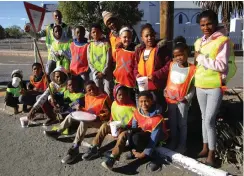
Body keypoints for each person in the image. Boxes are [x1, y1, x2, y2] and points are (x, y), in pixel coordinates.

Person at [194, 10, 236, 166]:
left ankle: (212, 153)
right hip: (200, 85)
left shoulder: (222, 41)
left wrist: (200, 58)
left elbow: (221, 65)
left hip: (214, 86)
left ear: (215, 22)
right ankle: (205, 147)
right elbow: (197, 66)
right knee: (204, 117)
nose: (206, 27)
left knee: (210, 120)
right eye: (202, 25)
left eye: (209, 24)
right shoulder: (198, 42)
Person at [44, 81, 112, 164]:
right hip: (90, 117)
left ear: (96, 86)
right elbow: (88, 110)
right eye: (89, 90)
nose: (92, 91)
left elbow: (109, 114)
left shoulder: (104, 98)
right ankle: (58, 132)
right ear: (86, 91)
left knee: (84, 122)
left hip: (101, 122)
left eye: (93, 88)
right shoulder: (87, 96)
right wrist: (80, 109)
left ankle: (75, 147)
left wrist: (99, 117)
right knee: (71, 115)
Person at [81, 85, 136, 169]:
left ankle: (112, 158)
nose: (122, 97)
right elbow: (113, 115)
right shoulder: (114, 103)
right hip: (117, 127)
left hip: (128, 130)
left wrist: (124, 128)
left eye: (125, 95)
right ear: (115, 94)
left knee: (122, 135)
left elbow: (134, 122)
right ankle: (95, 147)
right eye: (119, 95)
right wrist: (110, 121)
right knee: (104, 126)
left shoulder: (132, 107)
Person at [164, 36, 196, 154]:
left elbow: (193, 87)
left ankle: (182, 145)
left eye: (181, 55)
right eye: (176, 55)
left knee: (182, 123)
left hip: (182, 102)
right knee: (172, 122)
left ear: (187, 53)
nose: (178, 58)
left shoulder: (192, 69)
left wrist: (187, 98)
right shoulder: (172, 65)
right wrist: (165, 90)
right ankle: (173, 141)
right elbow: (169, 80)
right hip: (171, 100)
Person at [127, 91, 168, 172]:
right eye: (141, 101)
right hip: (145, 134)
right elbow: (134, 129)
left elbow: (154, 139)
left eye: (146, 101)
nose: (144, 104)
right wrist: (133, 148)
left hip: (158, 138)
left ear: (152, 101)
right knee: (131, 134)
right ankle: (138, 151)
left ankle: (155, 158)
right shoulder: (137, 112)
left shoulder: (157, 118)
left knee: (138, 138)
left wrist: (143, 154)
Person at [134, 23, 171, 107]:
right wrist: (137, 75)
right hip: (143, 88)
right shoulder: (139, 51)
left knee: (157, 109)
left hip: (156, 88)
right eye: (146, 36)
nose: (149, 38)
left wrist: (155, 75)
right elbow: (136, 67)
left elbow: (168, 65)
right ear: (142, 38)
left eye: (151, 35)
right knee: (145, 109)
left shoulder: (161, 50)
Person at [24, 10, 72, 75]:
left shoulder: (67, 28)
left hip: (64, 58)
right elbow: (37, 35)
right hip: (52, 56)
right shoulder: (49, 28)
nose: (58, 17)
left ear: (62, 16)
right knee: (49, 74)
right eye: (56, 16)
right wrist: (29, 31)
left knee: (65, 75)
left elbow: (70, 43)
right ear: (53, 17)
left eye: (59, 15)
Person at [87, 23, 113, 98]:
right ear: (91, 34)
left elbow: (109, 59)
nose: (96, 34)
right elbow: (89, 61)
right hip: (96, 74)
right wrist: (95, 72)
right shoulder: (90, 46)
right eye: (93, 32)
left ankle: (108, 107)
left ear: (101, 32)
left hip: (106, 73)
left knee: (108, 91)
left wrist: (103, 72)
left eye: (98, 32)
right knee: (97, 91)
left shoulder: (106, 44)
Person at [113, 26, 137, 100]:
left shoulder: (135, 51)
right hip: (119, 81)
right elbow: (115, 62)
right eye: (125, 37)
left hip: (130, 82)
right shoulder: (118, 50)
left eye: (129, 37)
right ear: (120, 38)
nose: (127, 39)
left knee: (129, 101)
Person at [70, 26, 89, 91]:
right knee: (74, 88)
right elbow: (70, 57)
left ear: (84, 33)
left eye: (81, 32)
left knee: (84, 88)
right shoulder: (72, 44)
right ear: (74, 33)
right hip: (73, 71)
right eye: (77, 32)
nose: (79, 34)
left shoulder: (87, 45)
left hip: (83, 71)